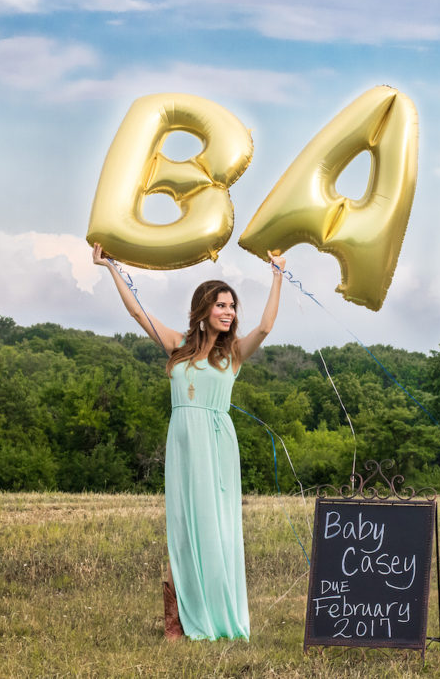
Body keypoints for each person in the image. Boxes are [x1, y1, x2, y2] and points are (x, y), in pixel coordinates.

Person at [92, 242, 285, 641]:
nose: (229, 312)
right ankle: (175, 621)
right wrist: (111, 266)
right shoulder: (178, 346)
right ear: (203, 310)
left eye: (232, 306)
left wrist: (277, 273)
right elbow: (137, 312)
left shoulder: (233, 355)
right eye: (221, 305)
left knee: (217, 529)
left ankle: (215, 614)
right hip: (183, 445)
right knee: (182, 528)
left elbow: (265, 327)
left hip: (217, 447)